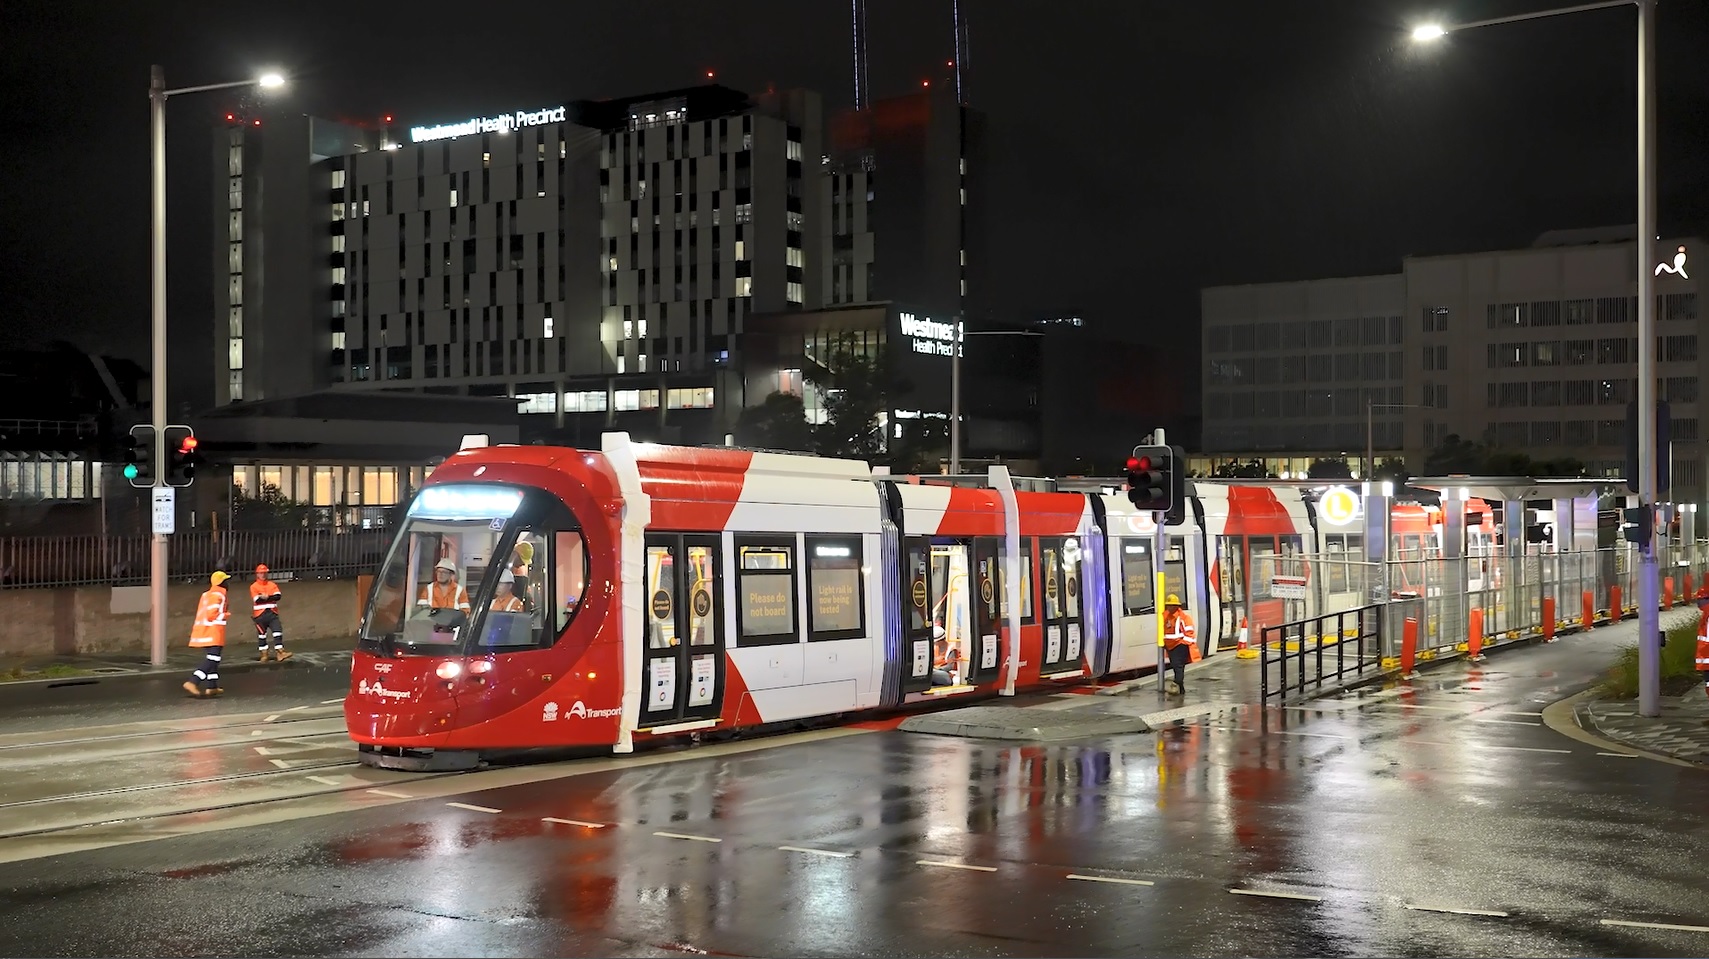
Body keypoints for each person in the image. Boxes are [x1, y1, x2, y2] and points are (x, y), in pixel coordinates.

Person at [183, 571, 230, 699]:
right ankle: (193, 681)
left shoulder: (207, 594)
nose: (228, 583)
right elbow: (211, 614)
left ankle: (212, 686)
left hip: (204, 631)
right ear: (222, 583)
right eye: (226, 580)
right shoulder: (218, 595)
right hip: (213, 631)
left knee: (214, 658)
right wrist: (225, 615)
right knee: (213, 659)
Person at [250, 563, 292, 662]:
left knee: (277, 631)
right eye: (261, 573)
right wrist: (270, 598)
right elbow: (257, 600)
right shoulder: (254, 586)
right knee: (262, 635)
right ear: (257, 574)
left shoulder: (272, 585)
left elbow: (278, 597)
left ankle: (280, 652)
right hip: (260, 615)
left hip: (272, 613)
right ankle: (264, 654)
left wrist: (266, 597)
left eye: (264, 573)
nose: (263, 575)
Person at [1162, 594, 1197, 696]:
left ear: (1177, 606)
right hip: (1170, 646)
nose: (1170, 607)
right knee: (1176, 667)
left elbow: (1190, 633)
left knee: (1178, 667)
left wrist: (1183, 644)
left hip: (1180, 645)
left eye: (1172, 605)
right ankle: (1181, 690)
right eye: (1168, 605)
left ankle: (1175, 685)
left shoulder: (1184, 618)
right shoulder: (1165, 616)